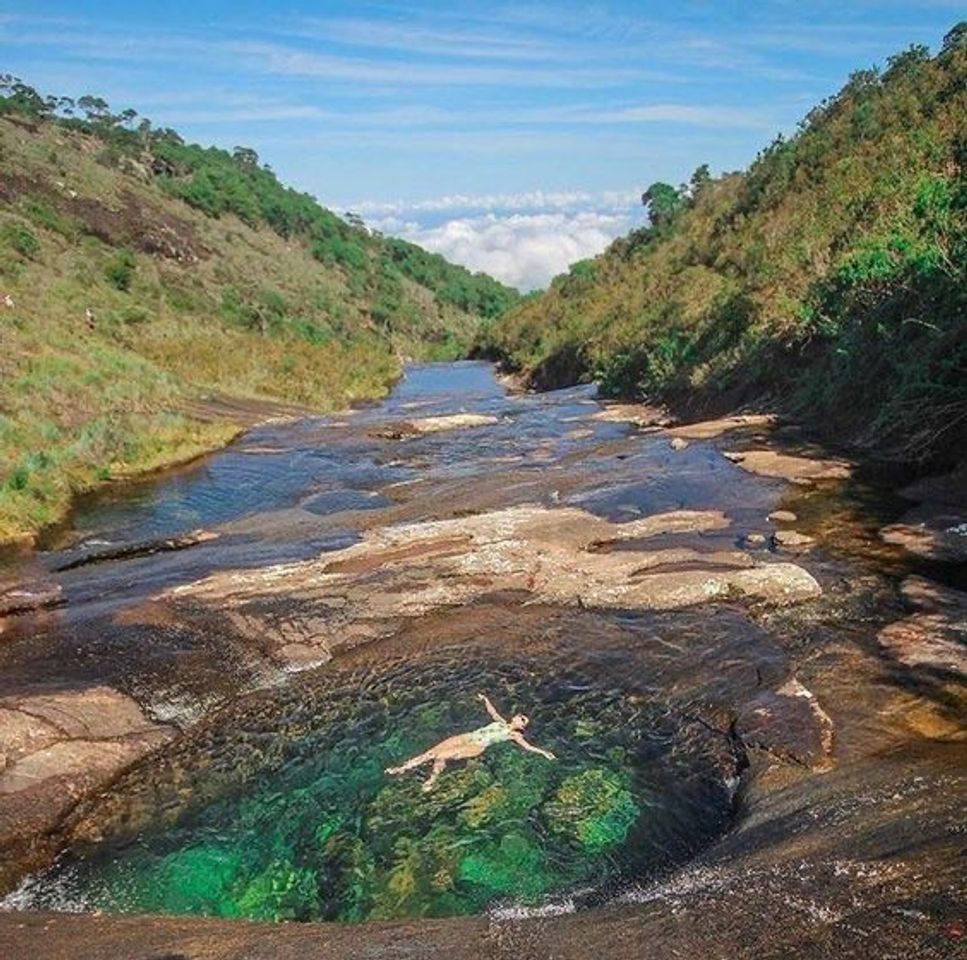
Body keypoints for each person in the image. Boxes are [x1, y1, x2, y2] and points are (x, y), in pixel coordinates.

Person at [386, 692, 556, 792]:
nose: (520, 717)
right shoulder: (502, 722)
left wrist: (544, 752)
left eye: (523, 720)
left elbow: (527, 747)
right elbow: (492, 712)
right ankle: (402, 768)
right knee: (431, 752)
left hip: (477, 746)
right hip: (469, 736)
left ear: (522, 726)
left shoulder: (515, 735)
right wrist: (485, 699)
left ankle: (431, 780)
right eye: (521, 716)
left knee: (442, 756)